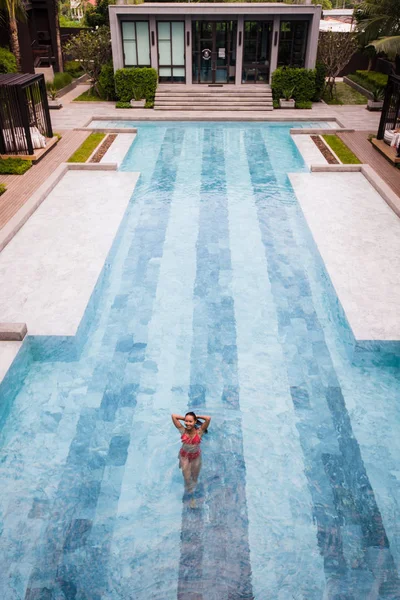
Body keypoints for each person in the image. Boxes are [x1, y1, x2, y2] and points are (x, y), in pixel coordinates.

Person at [171, 411, 211, 507]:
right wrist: (185, 419)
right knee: (187, 477)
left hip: (196, 456)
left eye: (190, 422)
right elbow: (174, 416)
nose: (188, 424)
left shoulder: (200, 432)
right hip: (184, 456)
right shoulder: (182, 430)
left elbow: (208, 418)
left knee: (195, 478)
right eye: (186, 421)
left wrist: (197, 416)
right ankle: (191, 497)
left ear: (195, 422)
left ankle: (193, 490)